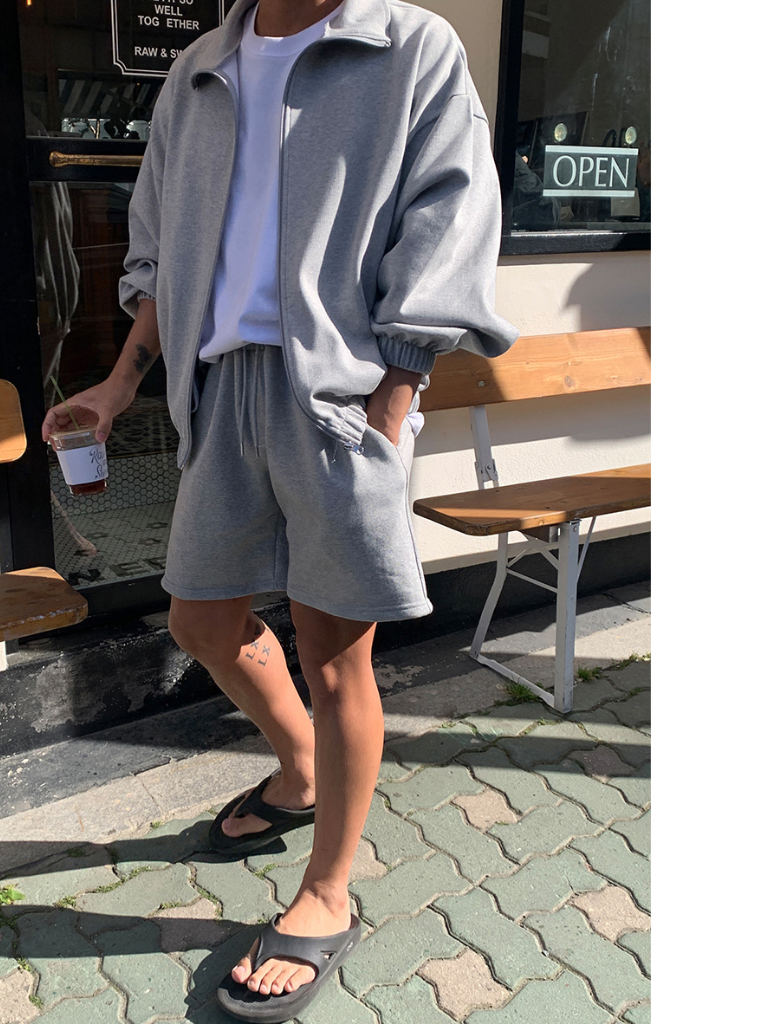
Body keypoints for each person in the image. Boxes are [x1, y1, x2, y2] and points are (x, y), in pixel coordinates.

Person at [41, 1, 517, 1019]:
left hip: (341, 397)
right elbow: (161, 251)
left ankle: (327, 891)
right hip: (220, 391)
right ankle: (300, 769)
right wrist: (119, 385)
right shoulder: (201, 68)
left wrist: (394, 393)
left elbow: (451, 218)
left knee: (334, 651)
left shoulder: (409, 46)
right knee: (200, 618)